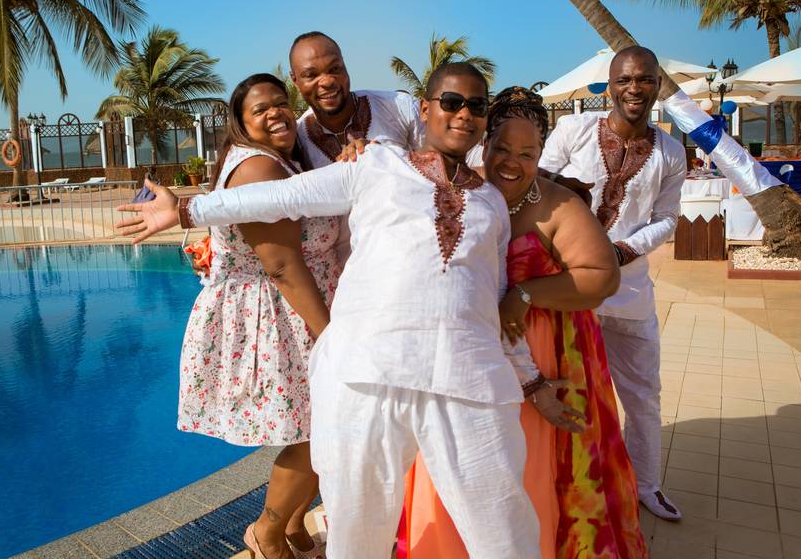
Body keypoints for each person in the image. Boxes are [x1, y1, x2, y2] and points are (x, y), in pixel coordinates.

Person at [116, 63, 574, 558]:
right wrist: (186, 211)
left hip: (466, 381)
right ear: (425, 109)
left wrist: (530, 381)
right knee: (357, 534)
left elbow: (492, 299)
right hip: (365, 378)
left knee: (506, 533)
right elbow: (280, 195)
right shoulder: (377, 164)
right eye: (452, 101)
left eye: (477, 106)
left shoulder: (490, 203)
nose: (464, 114)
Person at [399, 87, 649, 558]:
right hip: (465, 350)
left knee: (528, 467)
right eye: (502, 150)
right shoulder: (460, 188)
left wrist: (526, 293)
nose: (511, 163)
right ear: (485, 146)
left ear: (541, 154)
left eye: (527, 153)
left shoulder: (559, 205)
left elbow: (602, 277)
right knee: (455, 460)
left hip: (544, 347)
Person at [176, 74, 337, 559]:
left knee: (319, 427)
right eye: (260, 110)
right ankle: (266, 531)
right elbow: (282, 263)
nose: (276, 114)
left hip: (294, 306)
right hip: (285, 312)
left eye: (280, 104)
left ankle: (290, 524)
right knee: (319, 432)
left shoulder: (286, 159)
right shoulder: (257, 169)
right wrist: (331, 336)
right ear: (242, 125)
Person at [538, 46, 687, 521]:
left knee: (643, 392)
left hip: (631, 292)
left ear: (657, 85)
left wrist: (622, 251)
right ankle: (573, 485)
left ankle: (648, 484)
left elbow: (667, 220)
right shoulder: (574, 131)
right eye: (625, 80)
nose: (635, 89)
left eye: (645, 80)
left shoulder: (670, 150)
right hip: (571, 288)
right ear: (611, 84)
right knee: (571, 390)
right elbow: (536, 186)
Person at [288, 31, 425, 264]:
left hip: (412, 260)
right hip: (343, 281)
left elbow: (445, 170)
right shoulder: (296, 141)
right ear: (295, 82)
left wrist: (382, 156)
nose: (327, 81)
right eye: (311, 75)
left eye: (334, 69)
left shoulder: (399, 108)